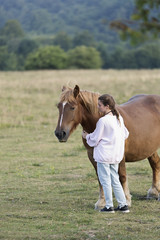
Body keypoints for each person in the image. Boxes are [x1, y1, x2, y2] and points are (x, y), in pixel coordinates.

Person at [82, 94, 129, 213]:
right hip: (115, 155)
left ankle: (109, 206)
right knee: (115, 180)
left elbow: (95, 139)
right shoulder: (119, 118)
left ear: (107, 106)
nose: (97, 107)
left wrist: (87, 136)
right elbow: (125, 134)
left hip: (104, 156)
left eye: (100, 105)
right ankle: (123, 205)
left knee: (105, 181)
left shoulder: (103, 121)